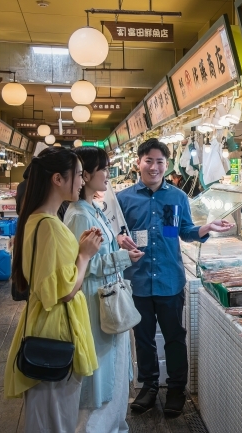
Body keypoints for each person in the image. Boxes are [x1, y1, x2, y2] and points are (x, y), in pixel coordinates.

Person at [117, 138, 233, 416]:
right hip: (138, 280)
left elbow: (183, 232)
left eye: (159, 162)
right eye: (149, 161)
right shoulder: (123, 199)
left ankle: (177, 388)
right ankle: (148, 386)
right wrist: (119, 239)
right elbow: (116, 234)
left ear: (166, 165)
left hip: (170, 279)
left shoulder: (177, 197)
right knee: (143, 338)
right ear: (138, 163)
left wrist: (206, 227)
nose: (154, 167)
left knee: (174, 337)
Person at [4, 147, 102, 432]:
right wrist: (84, 255)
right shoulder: (49, 226)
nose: (83, 181)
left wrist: (77, 250)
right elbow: (64, 291)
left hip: (41, 323)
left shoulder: (36, 218)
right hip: (56, 329)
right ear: (58, 179)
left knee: (47, 418)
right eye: (78, 174)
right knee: (57, 421)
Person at [64, 147, 145, 433]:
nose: (107, 175)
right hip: (96, 301)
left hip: (108, 299)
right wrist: (125, 257)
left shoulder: (92, 209)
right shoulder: (79, 216)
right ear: (84, 175)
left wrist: (117, 242)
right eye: (103, 169)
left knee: (113, 365)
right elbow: (85, 264)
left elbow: (98, 250)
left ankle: (111, 424)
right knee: (100, 372)